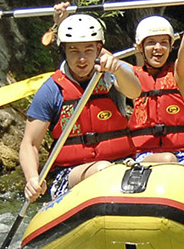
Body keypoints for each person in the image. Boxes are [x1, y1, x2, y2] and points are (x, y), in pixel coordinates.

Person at [20, 12, 142, 203]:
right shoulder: (52, 90)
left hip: (120, 166)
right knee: (102, 169)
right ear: (64, 51)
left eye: (88, 50)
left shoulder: (111, 77)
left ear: (99, 50)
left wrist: (118, 68)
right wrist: (32, 179)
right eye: (74, 51)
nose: (82, 59)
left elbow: (135, 92)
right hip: (70, 175)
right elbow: (30, 143)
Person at [126, 0, 184, 166]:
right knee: (168, 160)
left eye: (163, 42)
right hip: (146, 154)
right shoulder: (131, 76)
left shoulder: (179, 76)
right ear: (140, 47)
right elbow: (97, 55)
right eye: (151, 42)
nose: (158, 48)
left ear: (171, 46)